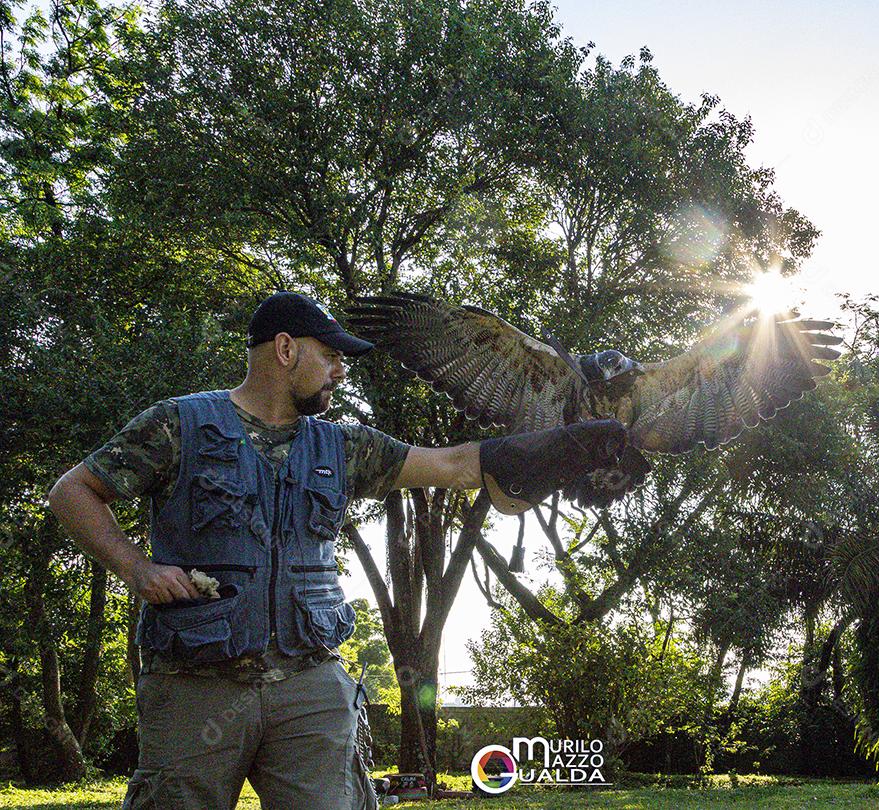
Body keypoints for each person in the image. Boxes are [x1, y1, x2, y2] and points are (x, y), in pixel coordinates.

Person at [48, 291, 626, 809]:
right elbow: (73, 492)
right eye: (330, 356)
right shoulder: (180, 424)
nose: (340, 371)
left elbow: (449, 464)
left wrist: (554, 447)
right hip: (195, 686)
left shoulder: (343, 443)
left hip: (309, 686)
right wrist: (136, 568)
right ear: (283, 350)